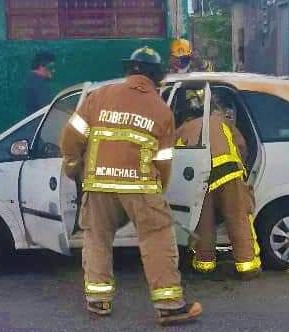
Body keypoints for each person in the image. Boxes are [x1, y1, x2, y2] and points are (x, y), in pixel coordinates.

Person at [59, 46, 202, 325]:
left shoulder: (97, 96)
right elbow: (163, 161)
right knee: (157, 237)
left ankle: (98, 300)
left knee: (96, 238)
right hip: (140, 187)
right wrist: (158, 189)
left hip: (98, 184)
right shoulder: (161, 110)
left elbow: (70, 136)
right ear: (156, 77)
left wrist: (73, 165)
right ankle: (170, 306)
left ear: (129, 71)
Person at [174, 90, 261, 279]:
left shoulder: (182, 129)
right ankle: (247, 266)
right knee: (237, 217)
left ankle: (204, 264)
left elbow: (175, 158)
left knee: (203, 222)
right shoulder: (222, 121)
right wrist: (242, 167)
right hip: (229, 172)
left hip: (200, 177)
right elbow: (242, 145)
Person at [24, 51, 55, 116]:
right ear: (42, 66)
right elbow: (48, 109)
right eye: (51, 67)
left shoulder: (29, 80)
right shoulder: (39, 84)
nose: (54, 70)